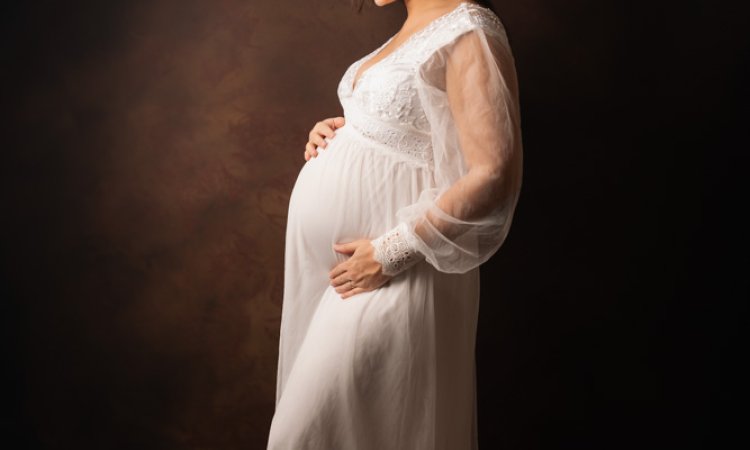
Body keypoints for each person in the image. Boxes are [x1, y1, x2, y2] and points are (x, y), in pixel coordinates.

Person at [267, 0, 523, 448]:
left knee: (303, 437)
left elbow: (492, 172)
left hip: (395, 274)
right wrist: (336, 134)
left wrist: (391, 252)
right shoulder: (409, 31)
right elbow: (407, 133)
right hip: (344, 277)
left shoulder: (468, 29)